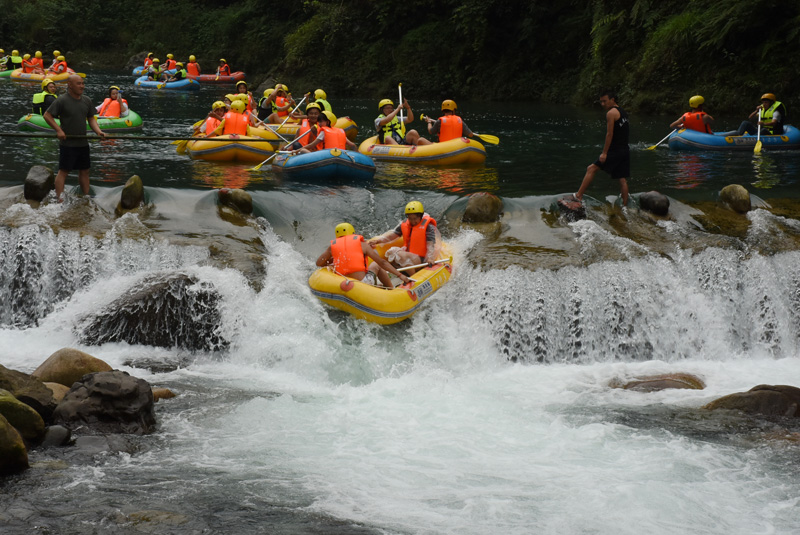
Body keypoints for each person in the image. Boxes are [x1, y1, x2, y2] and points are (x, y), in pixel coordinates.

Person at [42, 74, 106, 200]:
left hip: (83, 142)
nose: (82, 86)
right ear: (70, 85)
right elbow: (47, 115)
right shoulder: (62, 100)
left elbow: (91, 118)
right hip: (68, 143)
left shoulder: (86, 100)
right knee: (64, 171)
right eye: (79, 83)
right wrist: (59, 130)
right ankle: (59, 198)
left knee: (85, 170)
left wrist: (99, 131)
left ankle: (87, 196)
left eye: (82, 83)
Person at [573, 91, 630, 207]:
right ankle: (625, 205)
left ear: (612, 99)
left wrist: (604, 153)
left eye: (605, 101)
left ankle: (578, 196)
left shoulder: (611, 113)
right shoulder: (623, 112)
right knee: (622, 179)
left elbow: (609, 134)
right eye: (601, 102)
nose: (603, 104)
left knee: (591, 168)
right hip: (624, 150)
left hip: (615, 151)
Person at [316, 223, 412, 289]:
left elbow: (319, 263)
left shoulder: (332, 247)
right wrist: (400, 275)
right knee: (376, 265)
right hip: (362, 283)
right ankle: (391, 290)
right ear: (352, 233)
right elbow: (382, 262)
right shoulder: (363, 245)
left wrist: (333, 261)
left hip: (343, 282)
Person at [368, 200, 441, 276]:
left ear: (421, 216)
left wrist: (430, 258)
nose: (413, 221)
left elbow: (430, 243)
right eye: (410, 218)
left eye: (415, 218)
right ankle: (397, 274)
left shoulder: (428, 226)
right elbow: (392, 235)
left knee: (400, 255)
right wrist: (377, 241)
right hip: (409, 254)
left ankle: (413, 277)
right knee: (391, 253)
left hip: (421, 258)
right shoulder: (405, 224)